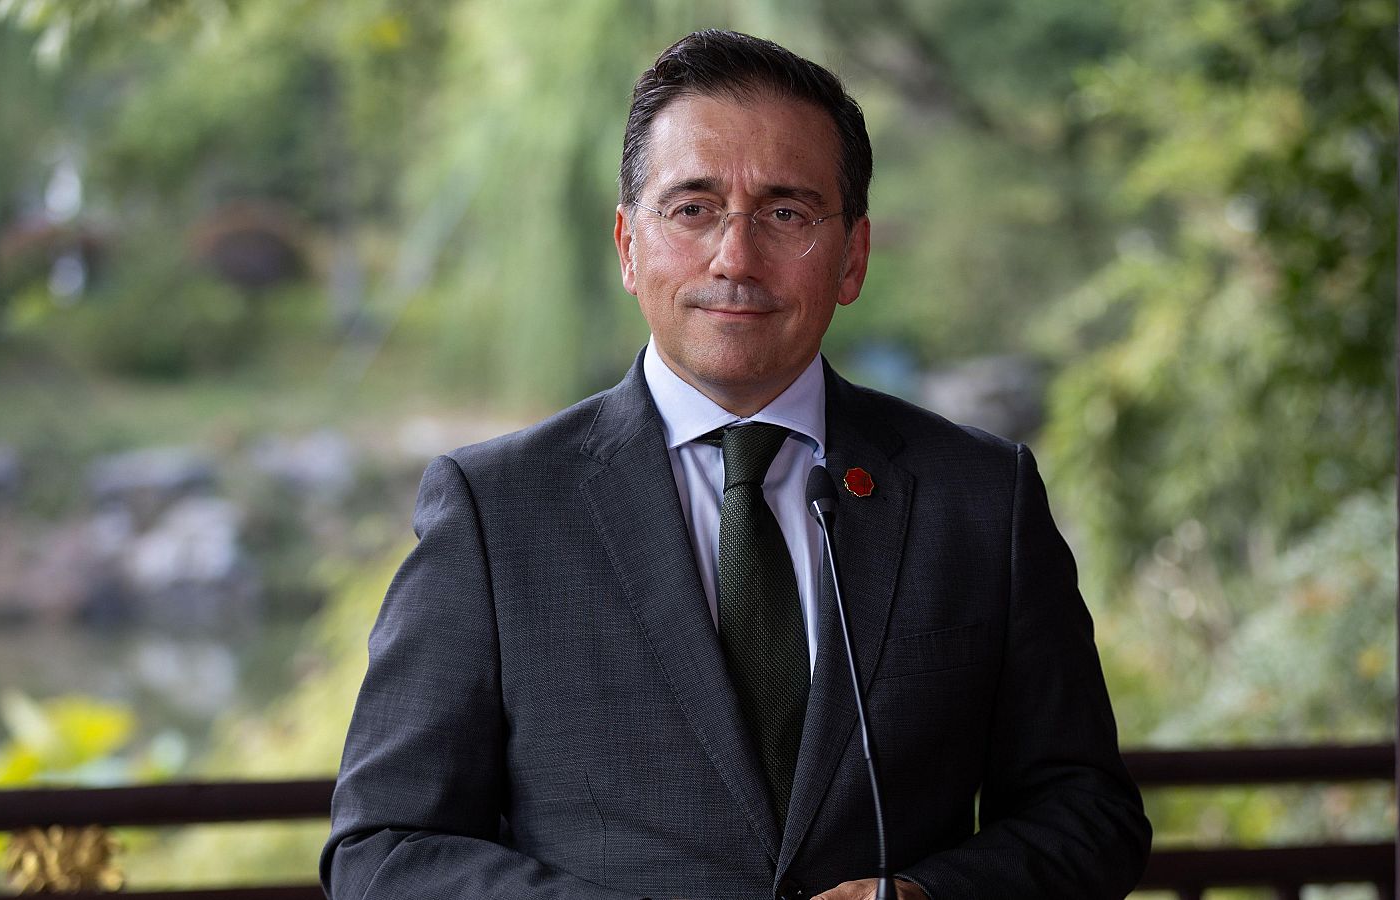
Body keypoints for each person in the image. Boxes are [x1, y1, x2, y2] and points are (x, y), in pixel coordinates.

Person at [322, 29, 1150, 900]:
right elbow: (383, 849)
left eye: (786, 214)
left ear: (854, 257)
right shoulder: (498, 510)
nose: (735, 258)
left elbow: (1088, 814)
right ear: (628, 245)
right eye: (693, 209)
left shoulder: (979, 496)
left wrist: (926, 897)